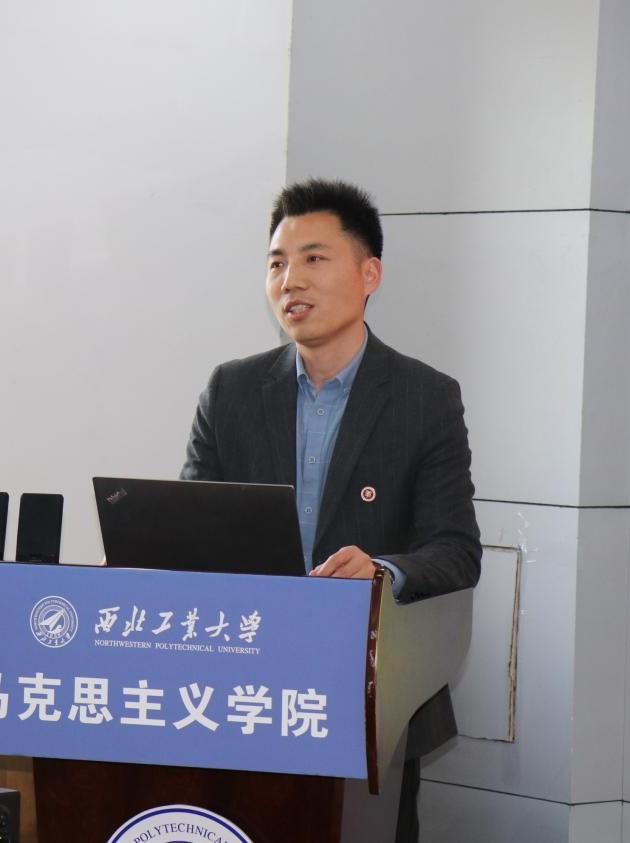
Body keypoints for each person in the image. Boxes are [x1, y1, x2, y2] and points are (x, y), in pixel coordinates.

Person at [180, 178, 481, 842]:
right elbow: (187, 531)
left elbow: (456, 551)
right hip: (241, 689)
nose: (290, 280)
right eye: (276, 263)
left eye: (314, 258)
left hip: (370, 696)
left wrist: (381, 570)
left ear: (369, 274)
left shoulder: (424, 398)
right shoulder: (231, 391)